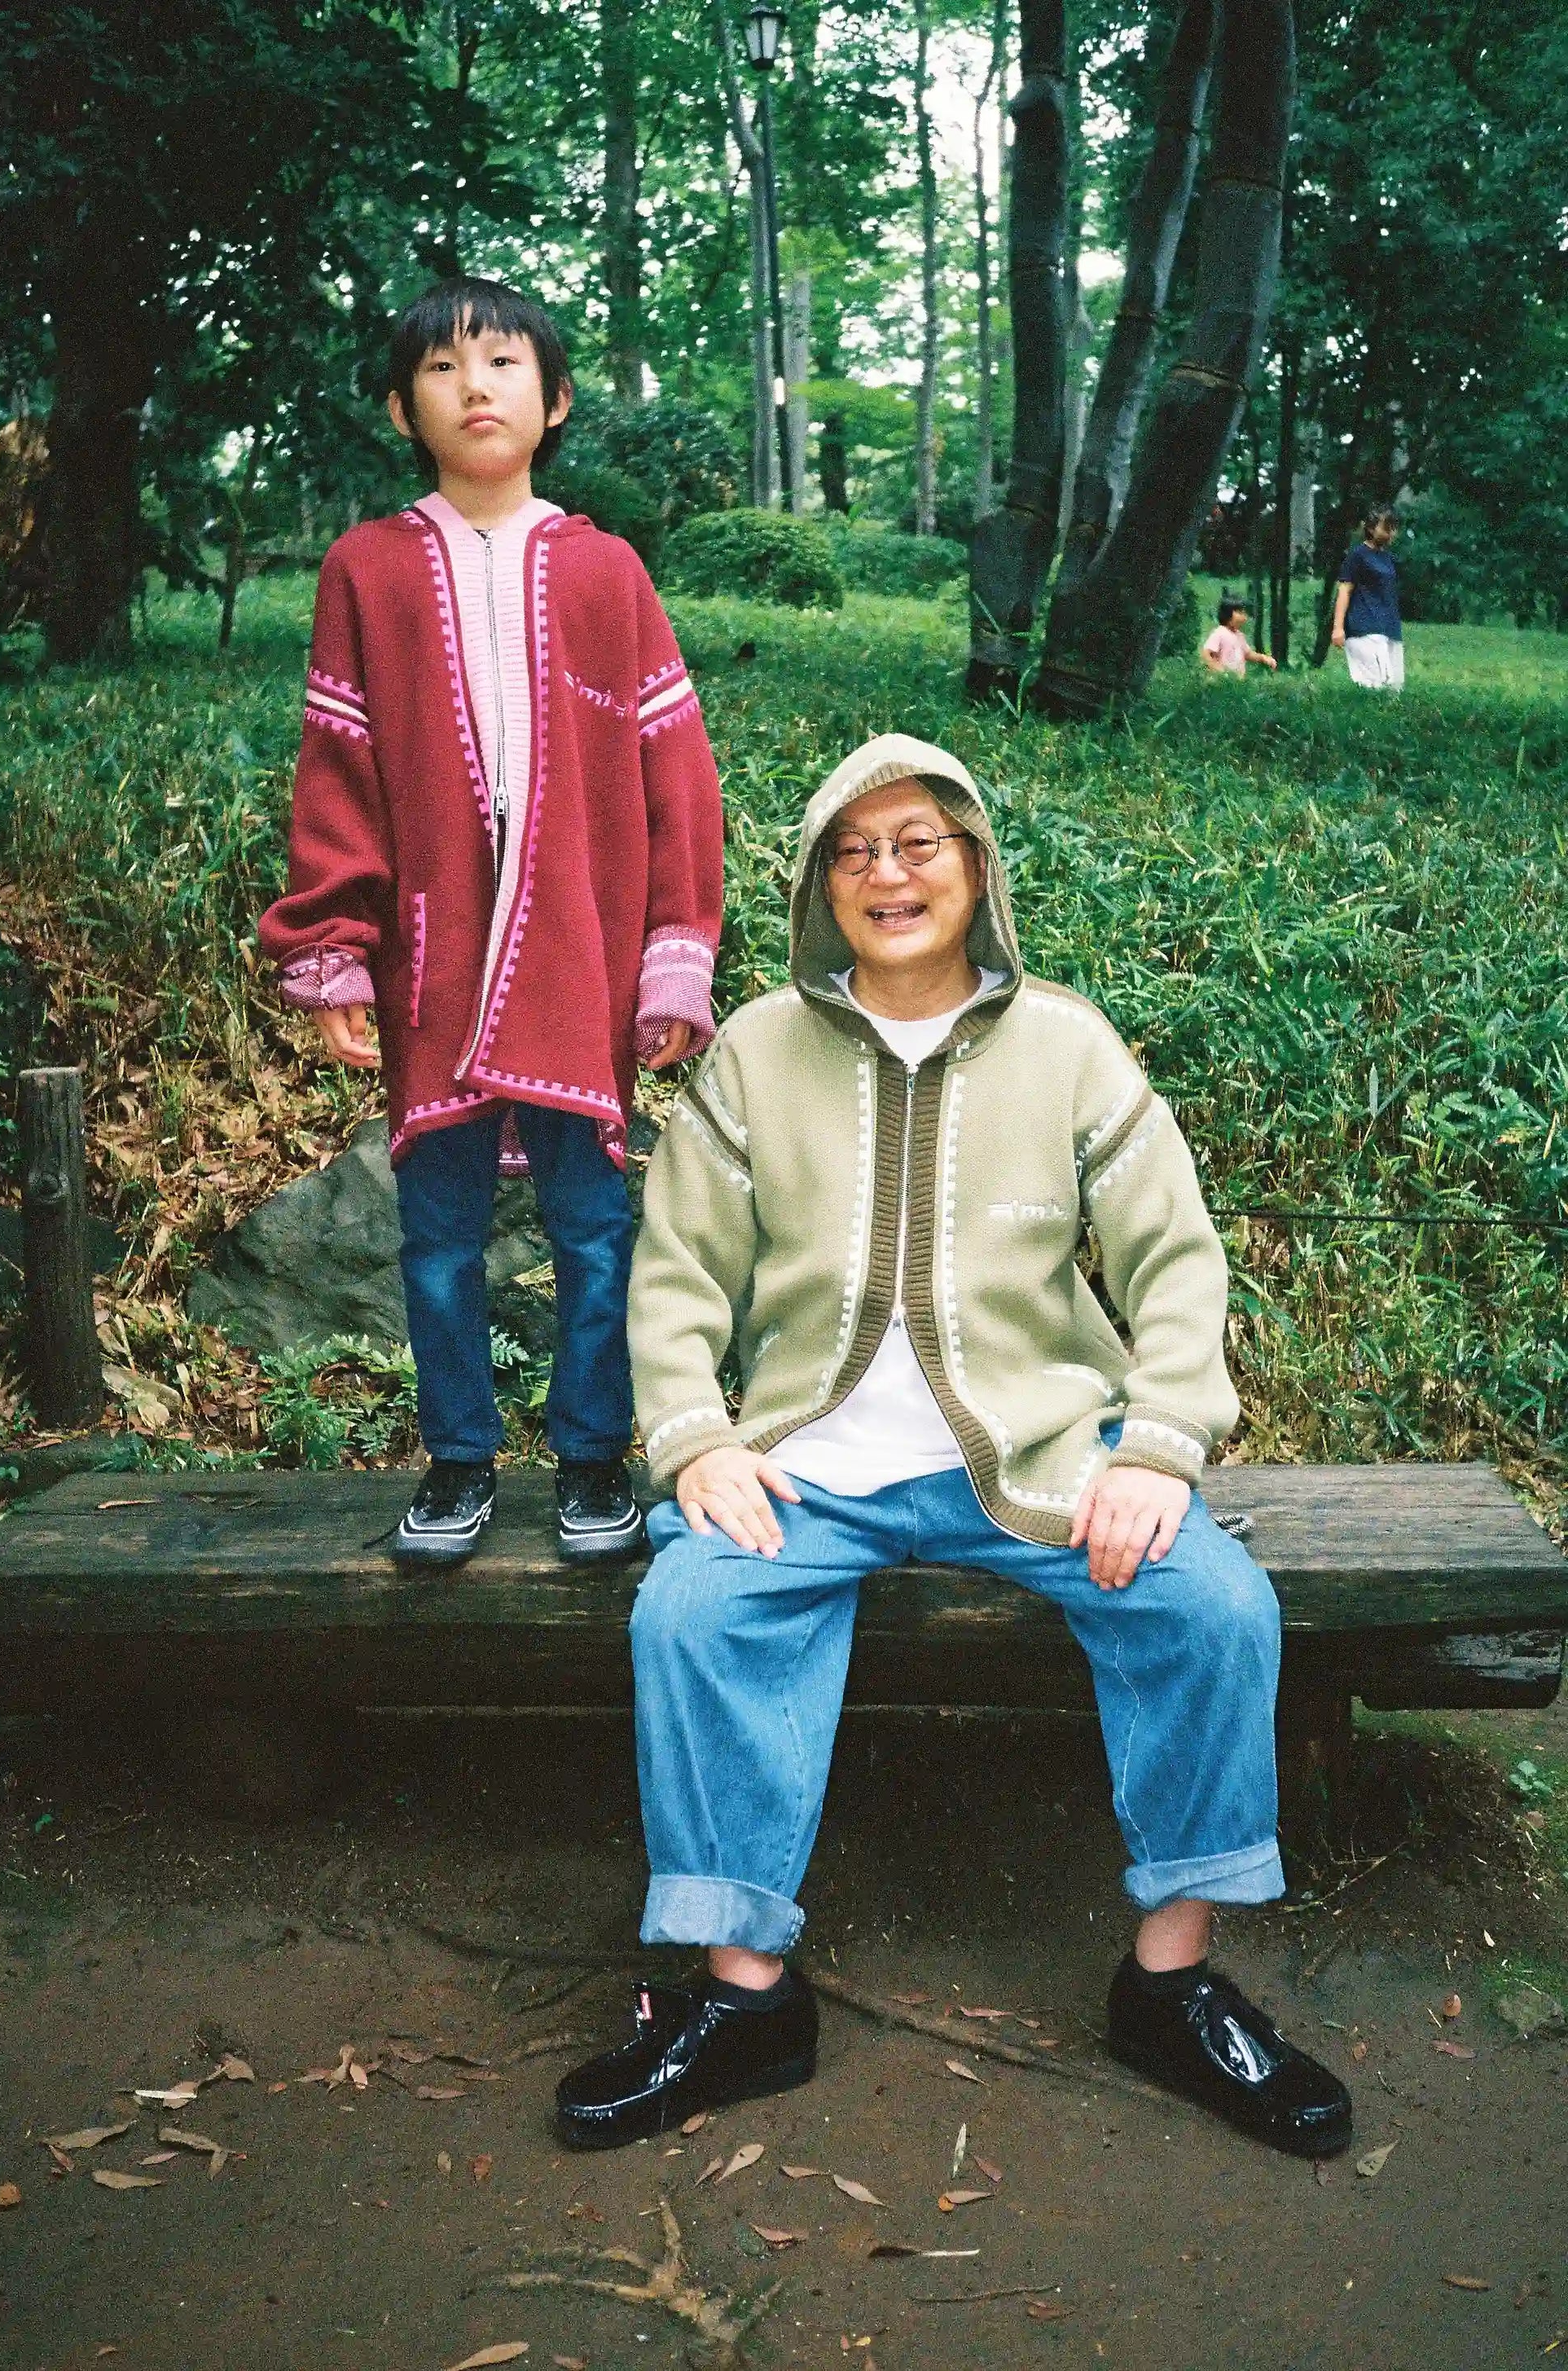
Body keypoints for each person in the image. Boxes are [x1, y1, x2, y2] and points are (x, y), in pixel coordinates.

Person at [555, 733, 1352, 2162]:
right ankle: (746, 2001)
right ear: (818, 885)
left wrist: (1159, 1447)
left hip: (1040, 1463)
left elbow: (1175, 1256)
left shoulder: (1069, 1045)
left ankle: (1169, 1984)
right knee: (690, 1611)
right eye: (854, 850)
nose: (889, 873)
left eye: (919, 840)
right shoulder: (752, 1055)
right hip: (810, 1466)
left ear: (977, 865)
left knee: (1217, 1608)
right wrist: (695, 1443)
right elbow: (673, 1275)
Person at [258, 278, 723, 1568]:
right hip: (432, 956)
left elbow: (674, 771)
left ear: (554, 399)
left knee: (592, 1225)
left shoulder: (607, 569)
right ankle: (458, 1462)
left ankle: (592, 1458)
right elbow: (339, 766)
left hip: (580, 949)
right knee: (441, 1233)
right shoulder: (365, 567)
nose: (477, 385)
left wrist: (672, 954)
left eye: (506, 361)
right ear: (402, 405)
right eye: (447, 367)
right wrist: (336, 945)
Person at [1330, 505, 1404, 688]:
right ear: (1371, 529)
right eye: (1387, 528)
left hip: (1389, 628)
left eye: (1394, 529)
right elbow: (1344, 590)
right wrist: (1338, 628)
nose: (1391, 533)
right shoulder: (1358, 556)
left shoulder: (1388, 559)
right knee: (1374, 686)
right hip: (1364, 627)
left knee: (1395, 687)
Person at [1201, 592, 1276, 676]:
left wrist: (1263, 658)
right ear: (1227, 614)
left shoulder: (1239, 636)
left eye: (1245, 614)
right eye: (1240, 613)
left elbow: (1247, 654)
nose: (1244, 617)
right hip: (1223, 680)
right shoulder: (1220, 633)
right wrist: (1218, 670)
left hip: (1237, 681)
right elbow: (1206, 653)